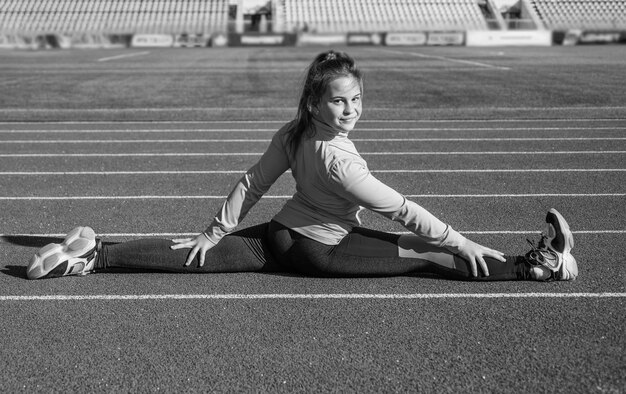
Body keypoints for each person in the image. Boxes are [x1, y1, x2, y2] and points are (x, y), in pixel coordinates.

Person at [26, 51, 578, 282]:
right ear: (316, 102)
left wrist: (213, 231)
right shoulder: (340, 161)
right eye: (340, 100)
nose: (351, 109)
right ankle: (539, 266)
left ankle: (94, 256)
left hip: (280, 234)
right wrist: (463, 242)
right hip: (319, 251)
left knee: (198, 255)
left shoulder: (293, 133)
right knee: (429, 254)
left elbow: (253, 182)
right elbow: (405, 212)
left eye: (356, 99)